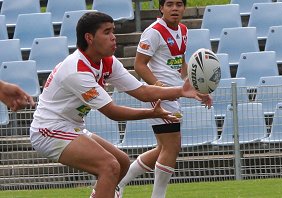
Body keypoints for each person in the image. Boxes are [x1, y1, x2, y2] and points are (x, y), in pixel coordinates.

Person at [29, 12, 211, 198]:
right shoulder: (76, 70)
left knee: (122, 162)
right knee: (109, 166)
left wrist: (180, 91)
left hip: (72, 127)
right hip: (48, 131)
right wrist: (151, 113)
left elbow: (141, 91)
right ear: (89, 38)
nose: (113, 37)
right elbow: (112, 112)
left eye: (113, 31)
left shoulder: (107, 61)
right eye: (107, 32)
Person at [117, 1, 210, 198]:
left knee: (163, 148)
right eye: (169, 4)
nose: (174, 8)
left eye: (179, 4)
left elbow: (181, 63)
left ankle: (119, 183)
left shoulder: (183, 30)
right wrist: (158, 87)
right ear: (161, 8)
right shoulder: (153, 32)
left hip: (174, 94)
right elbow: (139, 65)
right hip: (160, 96)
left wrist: (195, 86)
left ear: (184, 8)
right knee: (172, 146)